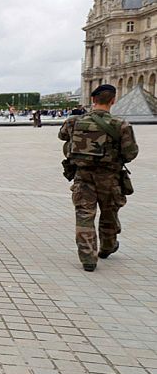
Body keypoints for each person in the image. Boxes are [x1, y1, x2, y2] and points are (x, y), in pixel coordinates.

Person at [59, 84, 138, 272]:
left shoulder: (73, 122)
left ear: (93, 100)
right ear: (113, 101)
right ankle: (107, 246)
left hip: (83, 177)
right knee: (109, 213)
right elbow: (131, 153)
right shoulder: (121, 125)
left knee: (84, 216)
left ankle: (88, 258)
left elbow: (62, 136)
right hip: (110, 178)